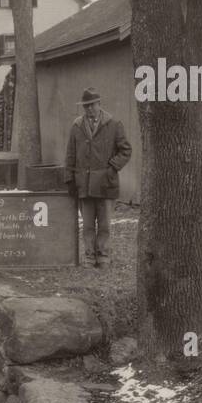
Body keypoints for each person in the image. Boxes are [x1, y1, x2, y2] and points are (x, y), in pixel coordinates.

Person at [64, 87, 131, 268]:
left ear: (99, 104)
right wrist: (70, 179)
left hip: (106, 183)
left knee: (104, 225)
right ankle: (89, 257)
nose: (89, 109)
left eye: (92, 105)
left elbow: (126, 151)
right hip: (84, 184)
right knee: (87, 225)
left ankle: (103, 256)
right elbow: (70, 154)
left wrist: (112, 168)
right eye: (86, 106)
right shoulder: (77, 126)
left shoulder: (114, 124)